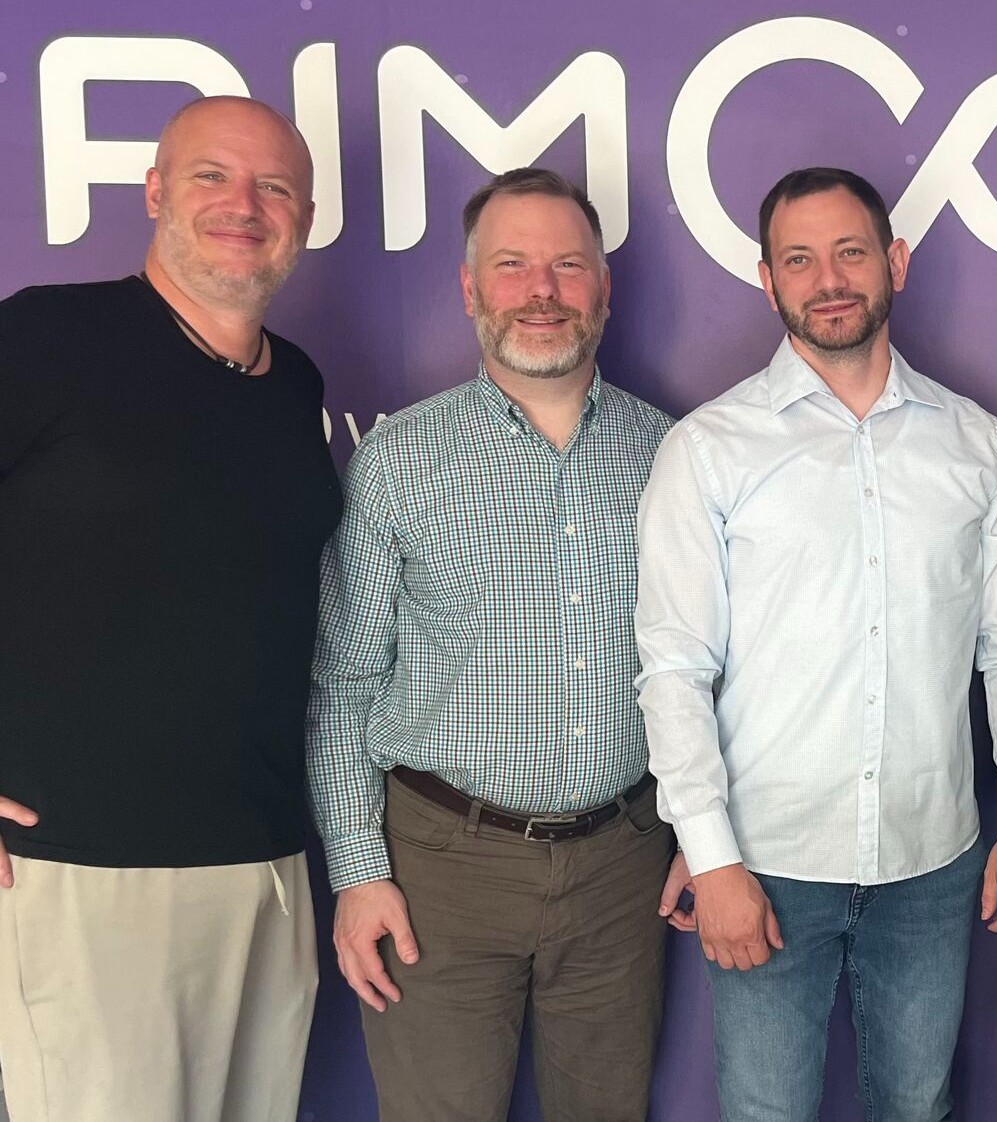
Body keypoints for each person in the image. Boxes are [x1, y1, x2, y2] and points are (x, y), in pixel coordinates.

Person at [634, 166, 997, 1122]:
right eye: (799, 259)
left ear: (895, 262)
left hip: (932, 860)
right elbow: (674, 670)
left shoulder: (975, 445)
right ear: (767, 279)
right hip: (766, 860)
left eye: (850, 252)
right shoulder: (709, 449)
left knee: (918, 1107)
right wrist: (710, 857)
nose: (828, 279)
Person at [308, 167, 675, 1122]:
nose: (541, 291)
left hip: (624, 868)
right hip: (440, 870)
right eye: (511, 266)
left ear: (604, 289)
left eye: (567, 266)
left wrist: (702, 834)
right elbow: (345, 680)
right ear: (470, 289)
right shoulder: (400, 459)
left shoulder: (673, 454)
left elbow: (712, 668)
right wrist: (358, 871)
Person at [0, 95, 337, 1122]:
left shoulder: (295, 385)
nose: (245, 205)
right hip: (82, 865)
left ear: (305, 216)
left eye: (275, 187)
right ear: (154, 192)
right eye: (211, 176)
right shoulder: (46, 334)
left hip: (263, 863)